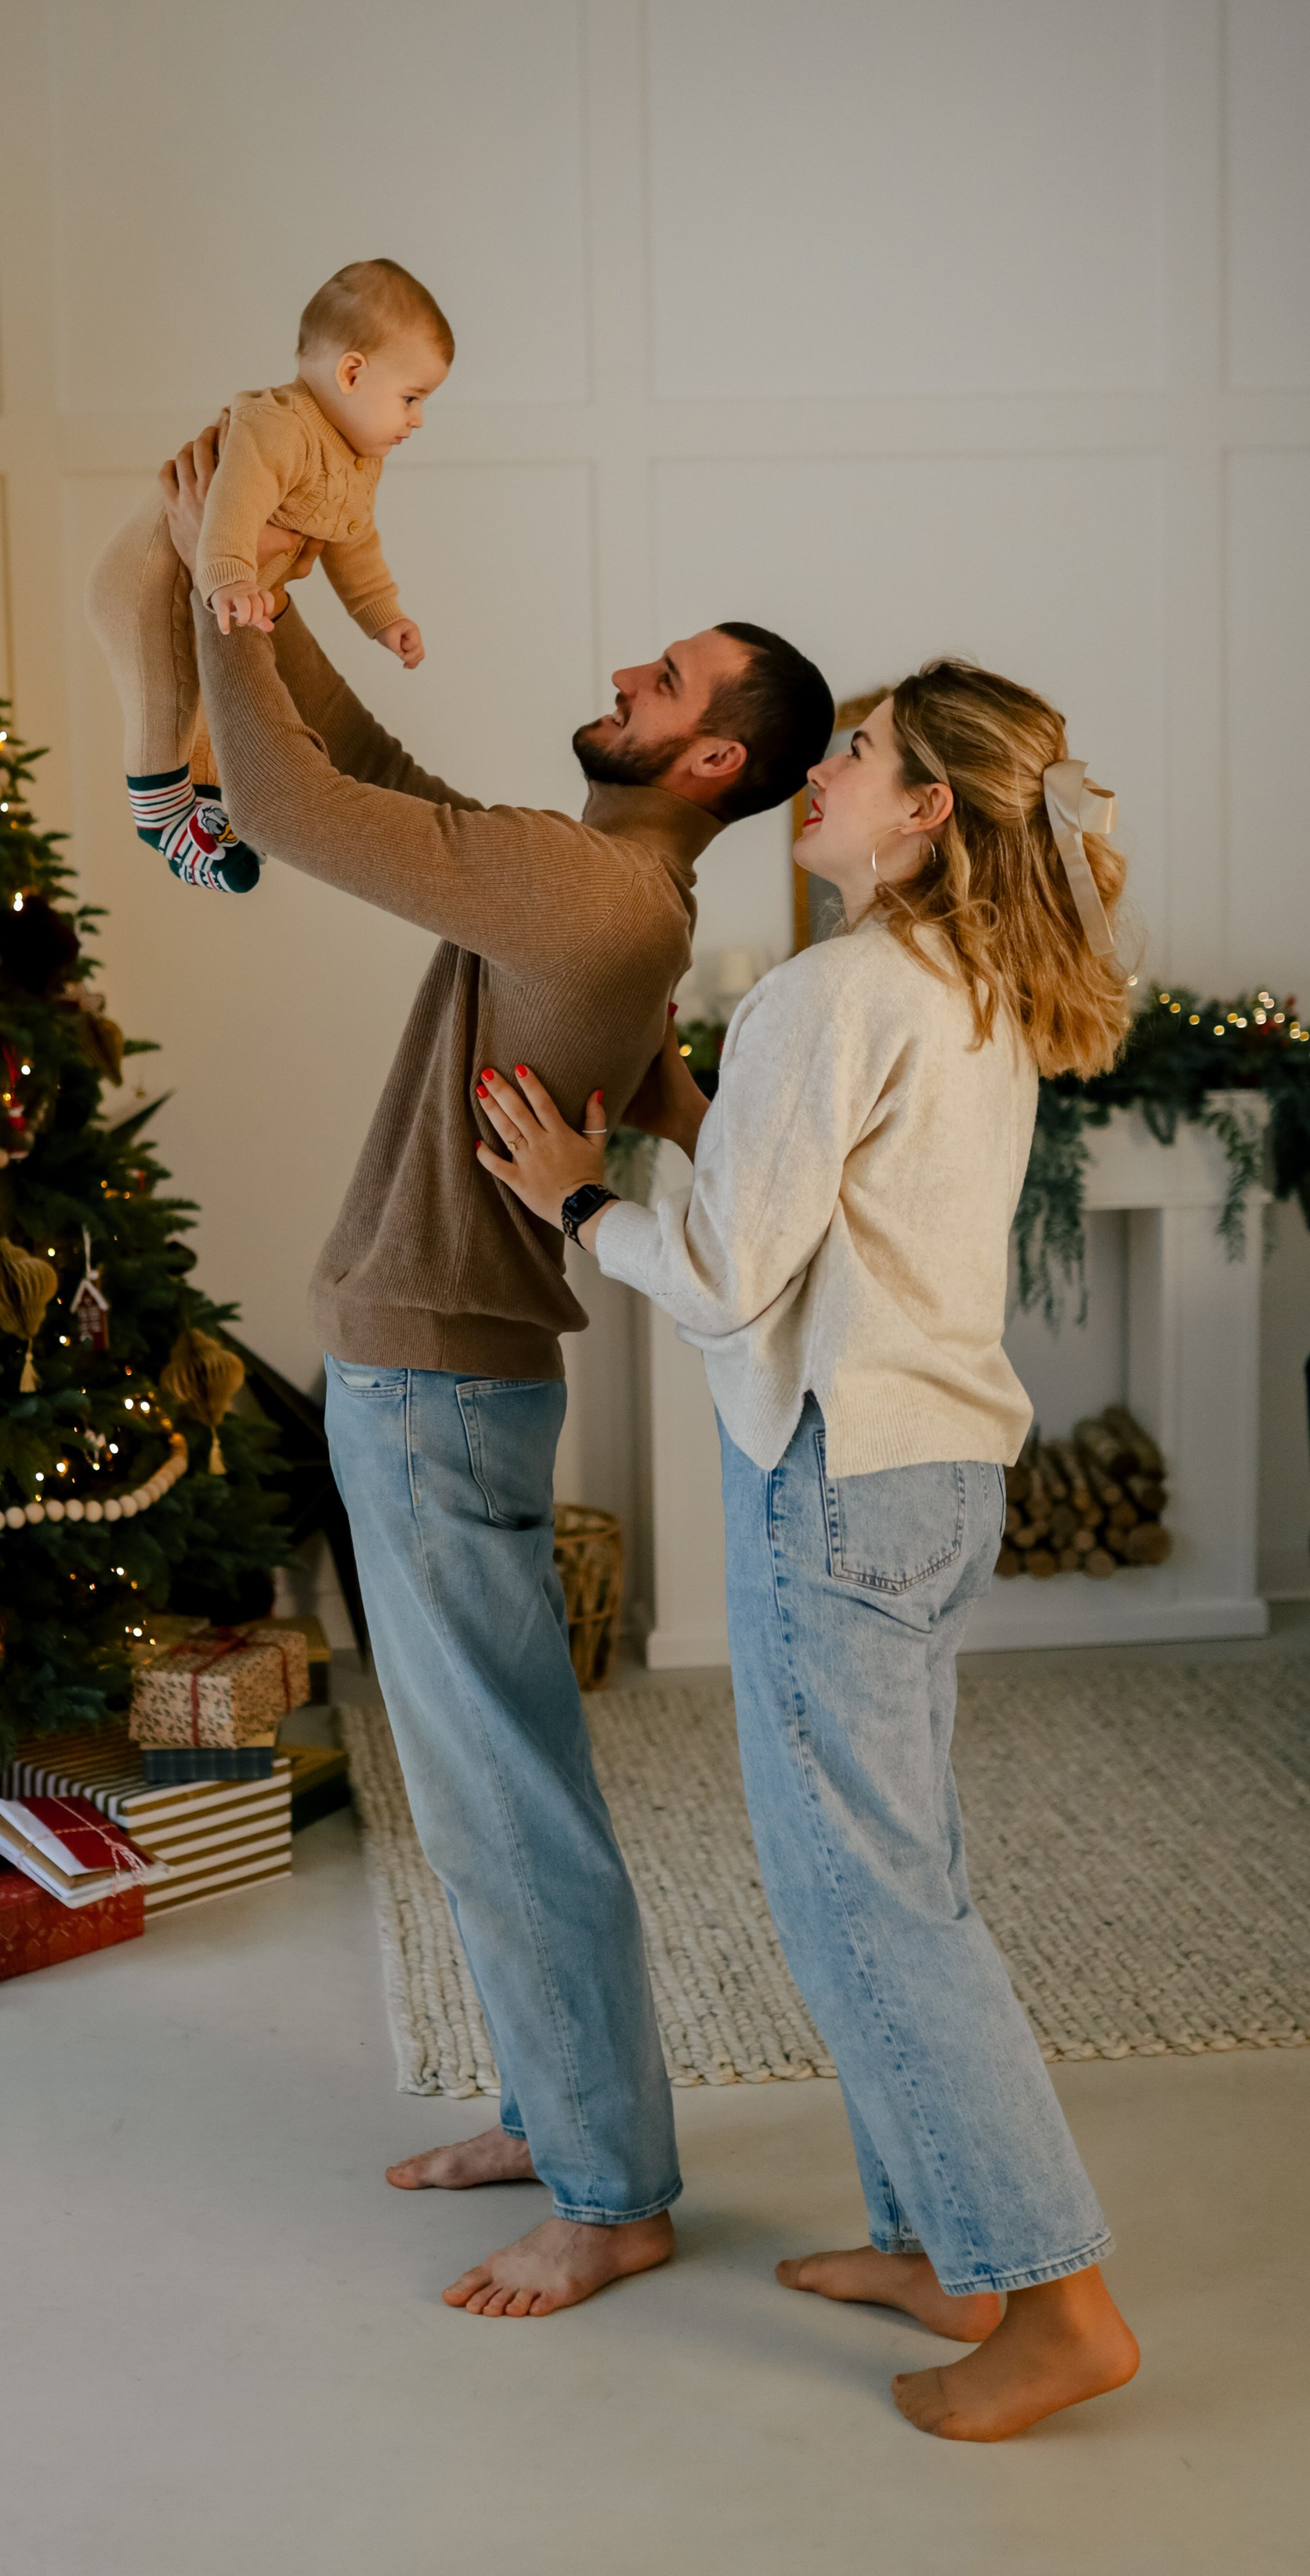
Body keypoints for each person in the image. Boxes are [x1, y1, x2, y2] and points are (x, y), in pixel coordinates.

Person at [158, 425, 833, 2317]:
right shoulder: (580, 880)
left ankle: (607, 2188)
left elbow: (292, 813)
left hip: (436, 1379)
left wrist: (222, 589)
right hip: (436, 1372)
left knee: (497, 1792)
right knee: (476, 1784)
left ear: (712, 759)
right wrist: (263, 602)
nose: (628, 669)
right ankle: (559, 2115)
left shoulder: (596, 899)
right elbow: (366, 775)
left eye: (669, 679)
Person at [474, 660, 1144, 2435]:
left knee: (867, 1907)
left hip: (837, 1487)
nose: (822, 776)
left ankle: (1056, 2300)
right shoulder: (959, 981)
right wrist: (692, 1117)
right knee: (898, 1873)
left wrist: (574, 1195)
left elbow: (717, 1278)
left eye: (854, 753)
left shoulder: (837, 986)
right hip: (933, 1483)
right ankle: (941, 2244)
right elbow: (833, 1209)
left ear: (925, 808)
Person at [85, 260, 450, 893]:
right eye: (411, 398)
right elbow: (231, 505)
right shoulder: (278, 425)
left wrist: (383, 616)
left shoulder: (356, 458)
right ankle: (162, 819)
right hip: (149, 584)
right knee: (167, 701)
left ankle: (204, 811)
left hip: (208, 585)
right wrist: (226, 577)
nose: (417, 419)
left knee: (206, 708)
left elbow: (354, 540)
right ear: (353, 372)